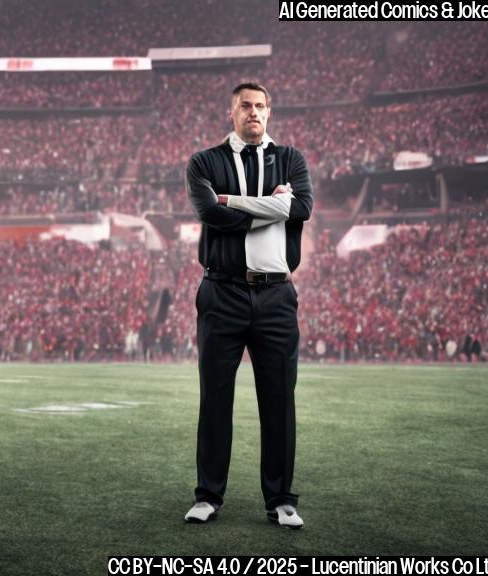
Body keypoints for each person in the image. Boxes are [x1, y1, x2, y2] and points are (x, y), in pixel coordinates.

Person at [183, 83, 313, 529]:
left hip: (276, 294)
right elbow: (209, 212)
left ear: (269, 112)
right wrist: (274, 206)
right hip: (222, 291)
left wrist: (232, 201)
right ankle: (208, 496)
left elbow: (303, 208)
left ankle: (281, 500)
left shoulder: (291, 159)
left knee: (279, 400)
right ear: (232, 112)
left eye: (260, 106)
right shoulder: (205, 161)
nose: (253, 112)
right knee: (215, 398)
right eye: (245, 106)